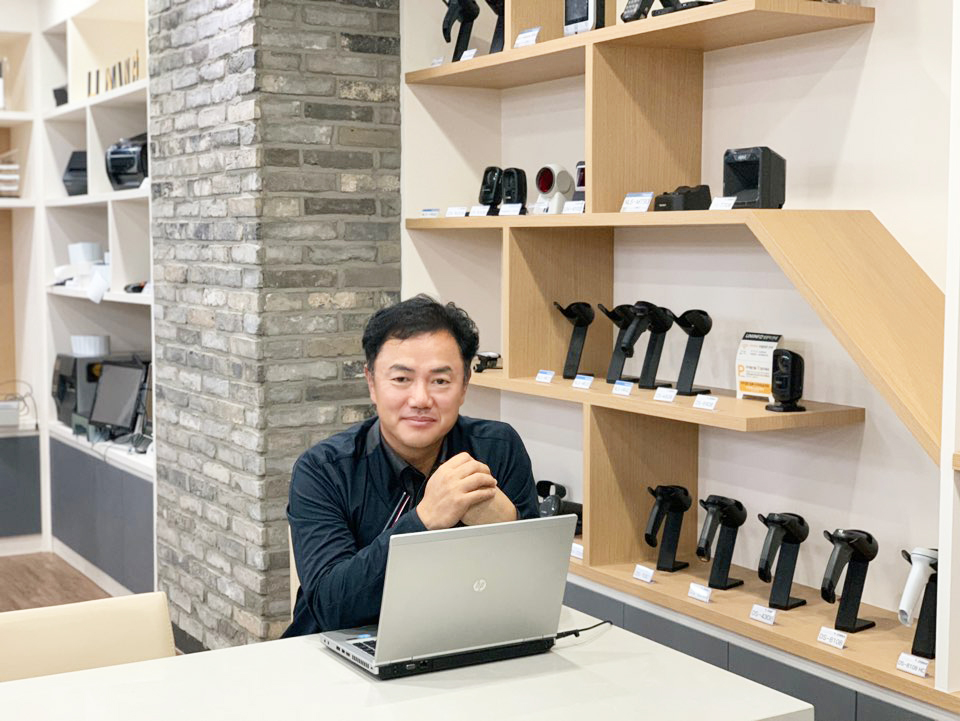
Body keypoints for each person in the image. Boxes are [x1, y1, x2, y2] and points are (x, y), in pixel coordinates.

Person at [284, 295, 540, 636]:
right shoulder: (323, 470)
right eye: (401, 379)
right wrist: (424, 520)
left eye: (440, 381)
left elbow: (536, 586)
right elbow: (332, 607)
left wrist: (511, 526)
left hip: (459, 638)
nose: (420, 399)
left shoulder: (497, 449)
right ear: (372, 383)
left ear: (464, 386)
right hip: (339, 650)